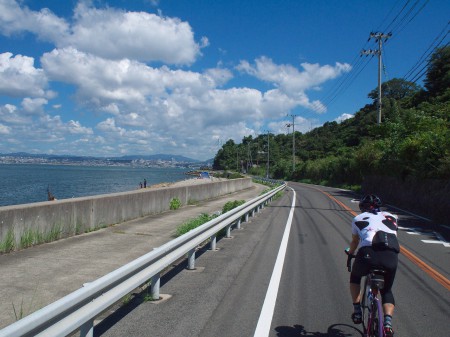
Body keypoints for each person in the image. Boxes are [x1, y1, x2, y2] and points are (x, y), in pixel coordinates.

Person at [347, 194, 399, 337]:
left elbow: (355, 241)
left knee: (355, 278)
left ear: (362, 208)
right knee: (387, 290)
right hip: (390, 255)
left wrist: (350, 253)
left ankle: (357, 312)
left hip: (367, 254)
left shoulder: (358, 219)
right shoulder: (392, 217)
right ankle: (387, 323)